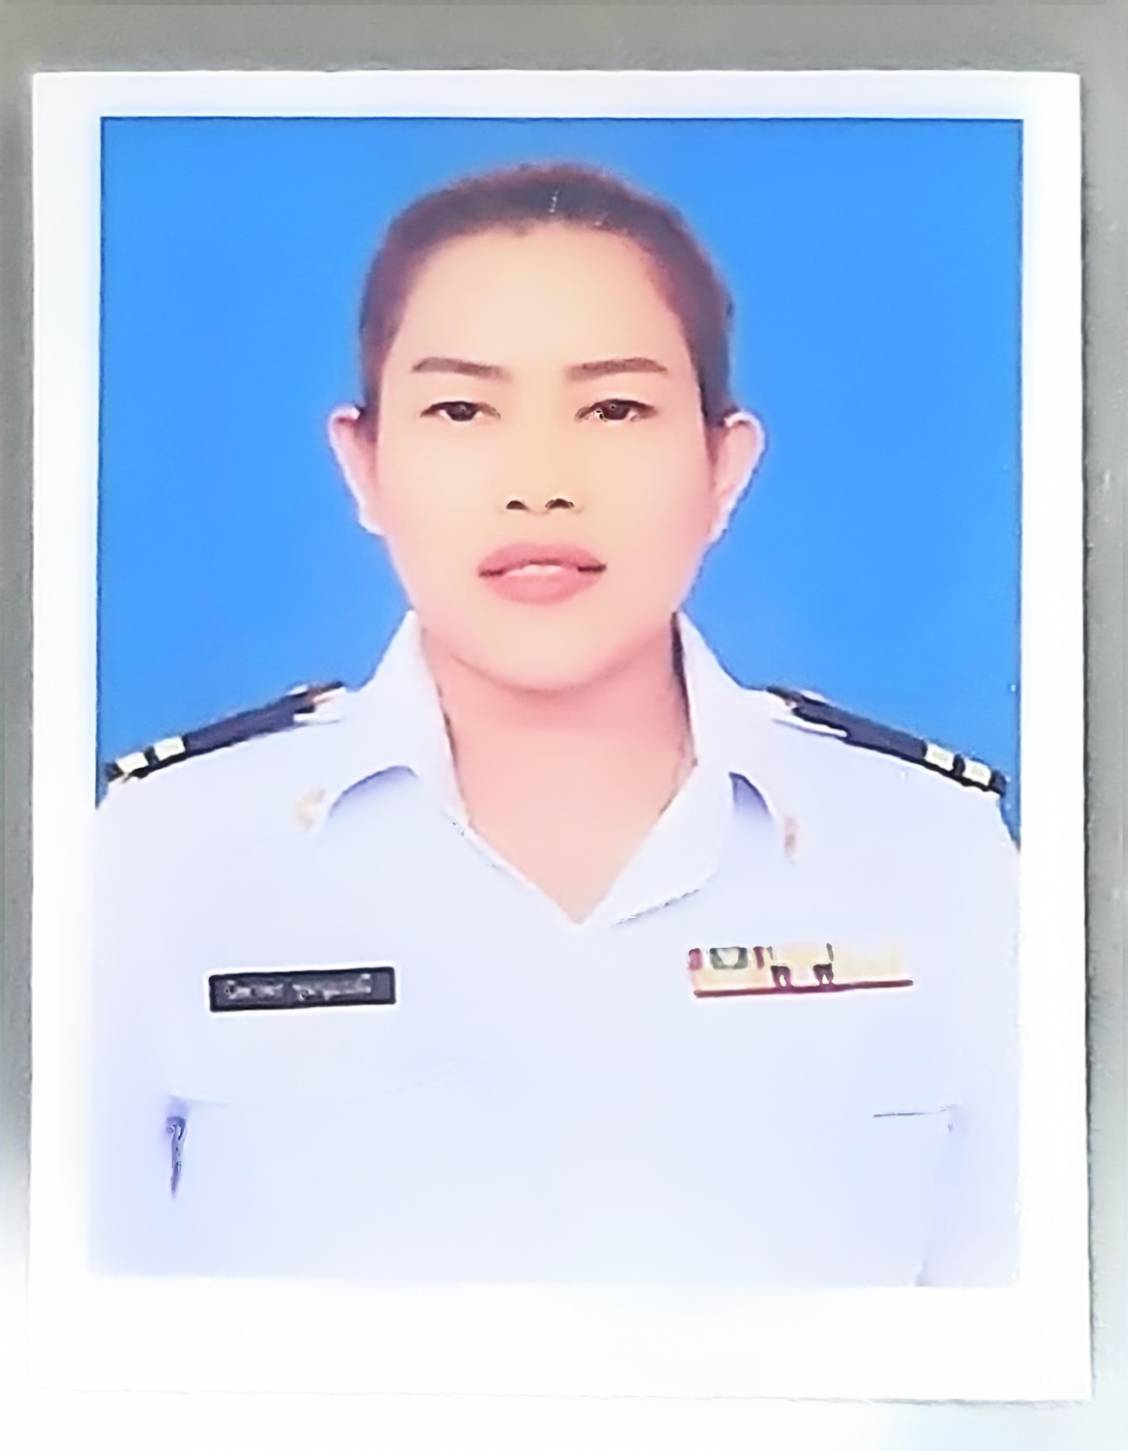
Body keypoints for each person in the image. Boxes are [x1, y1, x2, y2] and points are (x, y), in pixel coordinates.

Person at [91, 160, 1018, 1286]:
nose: (539, 482)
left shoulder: (936, 854)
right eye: (462, 409)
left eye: (615, 408)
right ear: (364, 464)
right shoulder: (163, 852)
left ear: (723, 468)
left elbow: (1038, 1344)